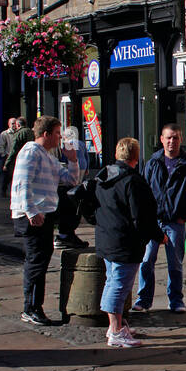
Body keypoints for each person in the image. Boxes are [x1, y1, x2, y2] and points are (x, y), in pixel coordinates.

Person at [75, 138, 162, 349]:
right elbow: (142, 217)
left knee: (112, 281)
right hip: (125, 243)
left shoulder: (103, 176)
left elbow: (89, 204)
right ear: (135, 156)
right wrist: (158, 235)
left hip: (106, 239)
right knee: (119, 286)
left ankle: (116, 325)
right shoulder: (132, 181)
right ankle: (115, 331)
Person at [10, 115, 79, 326]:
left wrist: (73, 160)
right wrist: (31, 211)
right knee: (35, 261)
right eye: (58, 133)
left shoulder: (48, 156)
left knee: (41, 259)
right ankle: (30, 308)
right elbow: (23, 183)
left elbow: (70, 180)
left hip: (44, 215)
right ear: (47, 134)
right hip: (33, 217)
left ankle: (34, 306)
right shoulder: (31, 152)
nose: (60, 138)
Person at [132, 124, 186, 315]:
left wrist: (184, 217)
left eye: (176, 138)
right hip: (153, 222)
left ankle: (176, 300)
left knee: (175, 263)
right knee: (146, 261)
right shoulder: (153, 163)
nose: (172, 142)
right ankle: (143, 300)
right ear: (161, 139)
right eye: (168, 138)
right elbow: (143, 190)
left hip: (174, 222)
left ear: (181, 139)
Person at [53, 126, 90, 251]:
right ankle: (67, 234)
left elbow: (66, 157)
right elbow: (86, 155)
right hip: (82, 165)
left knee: (72, 191)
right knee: (78, 188)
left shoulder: (68, 144)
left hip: (73, 166)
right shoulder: (80, 143)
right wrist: (87, 168)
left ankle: (64, 235)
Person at [0, 117, 21, 195]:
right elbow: (0, 146)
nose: (14, 125)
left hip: (17, 157)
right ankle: (3, 190)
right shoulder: (4, 134)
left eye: (15, 123)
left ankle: (15, 192)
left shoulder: (19, 133)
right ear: (8, 124)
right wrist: (4, 155)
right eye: (12, 123)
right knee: (7, 176)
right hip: (8, 158)